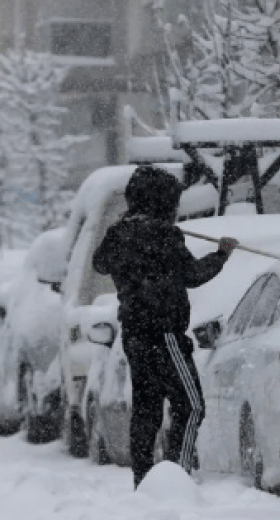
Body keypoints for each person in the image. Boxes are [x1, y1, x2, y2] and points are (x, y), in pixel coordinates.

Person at [92, 166, 238, 488]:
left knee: (147, 410)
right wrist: (222, 255)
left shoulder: (120, 234)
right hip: (166, 333)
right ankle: (177, 477)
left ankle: (144, 481)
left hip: (134, 333)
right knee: (191, 405)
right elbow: (193, 275)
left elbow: (100, 262)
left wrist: (123, 229)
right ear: (163, 202)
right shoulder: (164, 234)